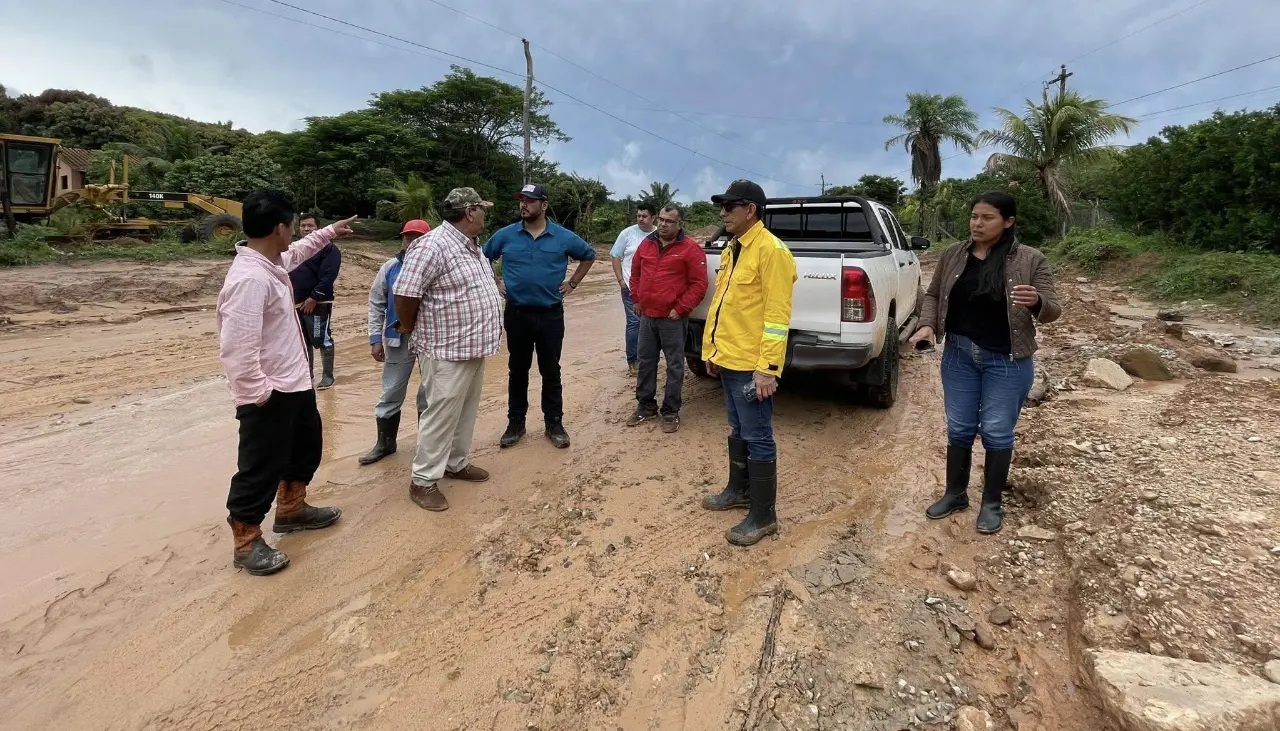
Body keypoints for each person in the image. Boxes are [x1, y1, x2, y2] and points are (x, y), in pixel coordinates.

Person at [215, 189, 355, 575]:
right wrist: (258, 395)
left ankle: (292, 510)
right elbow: (237, 349)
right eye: (292, 225)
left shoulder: (271, 263)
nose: (295, 232)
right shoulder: (249, 279)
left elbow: (299, 252)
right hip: (269, 393)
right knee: (260, 466)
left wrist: (328, 232)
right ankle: (245, 541)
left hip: (295, 384)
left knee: (305, 450)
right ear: (280, 227)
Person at [909, 192, 1061, 535]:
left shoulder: (1030, 259)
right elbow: (932, 295)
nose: (977, 224)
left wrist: (1037, 302)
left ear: (1008, 222)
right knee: (960, 426)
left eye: (987, 218)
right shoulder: (952, 255)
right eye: (974, 216)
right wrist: (928, 324)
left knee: (995, 430)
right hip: (959, 355)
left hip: (1007, 359)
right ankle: (955, 494)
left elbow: (1053, 309)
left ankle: (991, 503)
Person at [698, 180, 796, 547]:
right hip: (729, 359)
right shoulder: (732, 249)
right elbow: (724, 306)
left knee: (758, 436)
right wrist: (712, 351)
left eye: (729, 206)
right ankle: (737, 492)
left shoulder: (772, 252)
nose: (722, 213)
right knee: (737, 429)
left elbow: (776, 316)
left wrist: (768, 369)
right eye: (722, 207)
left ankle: (763, 515)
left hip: (753, 364)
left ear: (750, 209)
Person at [393, 189, 503, 512]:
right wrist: (413, 328)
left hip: (472, 347)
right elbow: (405, 295)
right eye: (482, 209)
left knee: (465, 411)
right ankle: (423, 480)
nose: (485, 214)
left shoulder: (472, 247)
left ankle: (456, 462)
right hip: (444, 350)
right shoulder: (432, 245)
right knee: (440, 415)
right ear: (470, 212)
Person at [483, 183, 596, 450]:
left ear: (543, 205)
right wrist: (495, 279)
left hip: (550, 314)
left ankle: (554, 423)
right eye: (521, 200)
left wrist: (573, 284)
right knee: (517, 369)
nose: (524, 205)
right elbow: (482, 256)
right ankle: (515, 423)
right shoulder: (506, 234)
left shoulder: (563, 236)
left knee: (550, 370)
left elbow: (589, 256)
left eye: (530, 201)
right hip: (517, 313)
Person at [625, 203, 708, 433]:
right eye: (661, 219)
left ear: (680, 224)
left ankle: (671, 411)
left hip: (672, 319)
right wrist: (636, 300)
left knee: (674, 366)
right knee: (646, 362)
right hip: (647, 317)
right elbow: (636, 274)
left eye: (669, 221)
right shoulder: (647, 244)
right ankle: (645, 406)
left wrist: (681, 308)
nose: (662, 224)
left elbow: (699, 285)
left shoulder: (690, 249)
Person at [359, 219, 433, 465]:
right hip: (397, 337)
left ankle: (428, 444)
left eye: (417, 238)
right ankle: (385, 443)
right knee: (391, 390)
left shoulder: (435, 267)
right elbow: (376, 302)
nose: (411, 243)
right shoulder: (390, 267)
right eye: (407, 237)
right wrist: (374, 339)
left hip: (430, 338)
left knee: (429, 392)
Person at [289, 213, 342, 390]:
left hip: (318, 303)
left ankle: (328, 376)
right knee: (302, 341)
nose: (306, 229)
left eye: (310, 226)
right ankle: (307, 375)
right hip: (295, 303)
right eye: (303, 226)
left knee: (320, 338)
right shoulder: (293, 249)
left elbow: (328, 276)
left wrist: (314, 297)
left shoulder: (329, 249)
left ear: (318, 228)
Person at [611, 204, 658, 375]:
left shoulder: (660, 234)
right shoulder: (627, 233)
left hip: (654, 290)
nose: (640, 219)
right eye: (638, 215)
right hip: (631, 288)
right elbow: (615, 255)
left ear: (654, 217)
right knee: (634, 323)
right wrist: (621, 281)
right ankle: (633, 361)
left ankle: (649, 358)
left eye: (644, 216)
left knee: (652, 323)